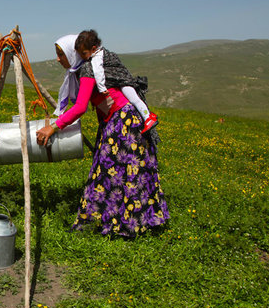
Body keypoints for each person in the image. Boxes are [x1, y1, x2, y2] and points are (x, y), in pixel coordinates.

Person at [36, 35, 169, 237]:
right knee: (123, 172)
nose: (57, 59)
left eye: (61, 54)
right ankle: (127, 221)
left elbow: (80, 107)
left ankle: (116, 223)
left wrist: (53, 128)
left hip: (123, 122)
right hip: (119, 121)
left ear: (73, 54)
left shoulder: (88, 69)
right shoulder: (85, 69)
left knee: (113, 171)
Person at [75, 29, 158, 134]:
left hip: (123, 83)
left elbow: (99, 72)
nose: (82, 57)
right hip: (123, 80)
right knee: (134, 99)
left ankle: (148, 117)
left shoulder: (97, 58)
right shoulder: (105, 53)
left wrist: (101, 88)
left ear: (93, 48)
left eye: (84, 53)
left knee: (134, 99)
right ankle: (147, 117)